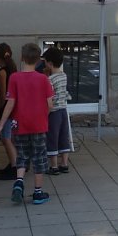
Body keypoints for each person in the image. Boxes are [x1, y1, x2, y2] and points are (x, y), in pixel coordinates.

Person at [0, 43, 53, 205]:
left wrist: (1, 125)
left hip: (20, 125)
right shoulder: (43, 79)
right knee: (39, 157)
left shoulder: (14, 78)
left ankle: (19, 182)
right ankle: (37, 192)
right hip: (39, 125)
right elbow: (50, 105)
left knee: (22, 155)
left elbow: (10, 103)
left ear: (22, 57)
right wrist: (43, 116)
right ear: (38, 60)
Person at [41, 47, 72, 175]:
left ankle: (53, 166)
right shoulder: (63, 76)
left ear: (50, 63)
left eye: (45, 62)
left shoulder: (49, 80)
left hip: (53, 112)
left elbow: (50, 98)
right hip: (63, 110)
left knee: (52, 138)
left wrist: (45, 114)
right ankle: (64, 164)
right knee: (63, 136)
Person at [0, 43, 18, 180]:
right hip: (14, 108)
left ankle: (15, 167)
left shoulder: (2, 72)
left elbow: (3, 95)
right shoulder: (13, 69)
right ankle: (13, 163)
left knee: (6, 138)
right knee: (10, 138)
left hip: (6, 109)